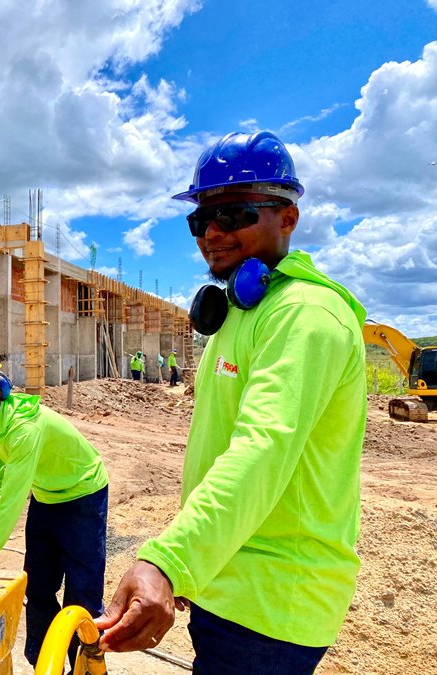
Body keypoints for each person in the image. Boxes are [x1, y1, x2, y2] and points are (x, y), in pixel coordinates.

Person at [97, 131, 367, 675]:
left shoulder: (304, 316)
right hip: (230, 582)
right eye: (201, 221)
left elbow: (262, 449)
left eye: (236, 214)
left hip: (271, 603)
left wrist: (170, 560)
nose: (212, 233)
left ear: (287, 218)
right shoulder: (241, 313)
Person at [0, 344, 109, 669]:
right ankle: (45, 664)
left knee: (82, 594)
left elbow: (12, 504)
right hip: (47, 498)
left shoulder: (23, 429)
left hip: (83, 497)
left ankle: (85, 667)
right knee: (38, 587)